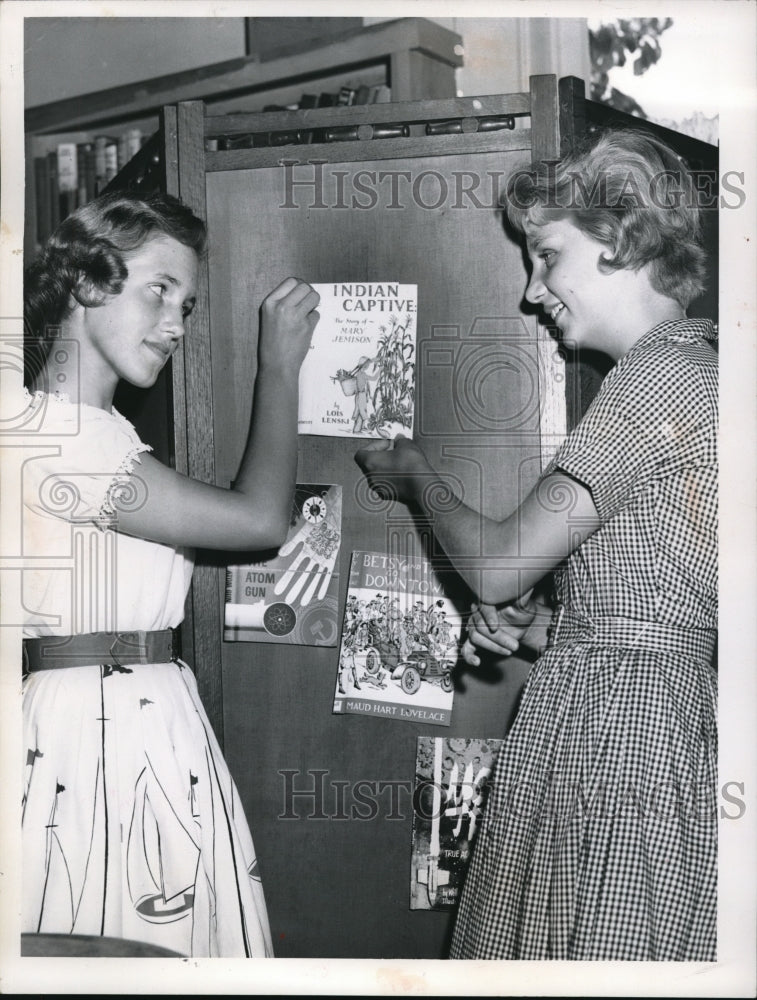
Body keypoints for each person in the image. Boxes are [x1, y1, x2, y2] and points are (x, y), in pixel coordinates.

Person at [356, 129, 717, 961]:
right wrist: (533, 629)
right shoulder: (700, 367)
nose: (531, 290)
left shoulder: (652, 377)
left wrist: (417, 475)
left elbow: (495, 565)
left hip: (620, 733)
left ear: (618, 238)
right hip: (662, 720)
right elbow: (660, 611)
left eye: (545, 255)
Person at [20, 190, 320, 957]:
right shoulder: (64, 442)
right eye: (160, 290)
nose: (176, 325)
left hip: (135, 712)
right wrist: (279, 366)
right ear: (88, 282)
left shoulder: (97, 432)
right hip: (100, 732)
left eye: (186, 304)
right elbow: (259, 521)